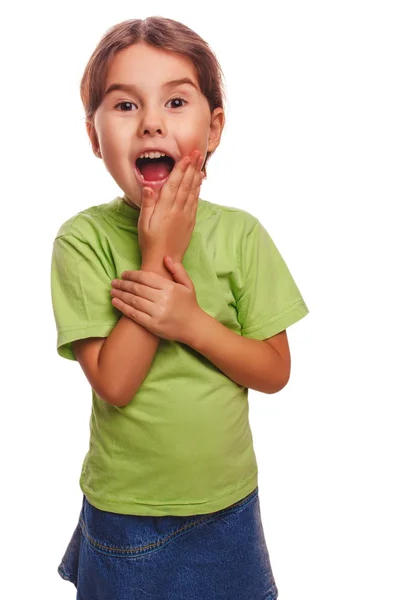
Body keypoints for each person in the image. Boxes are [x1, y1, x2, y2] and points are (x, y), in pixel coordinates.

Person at [50, 16, 309, 600]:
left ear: (213, 127)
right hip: (128, 513)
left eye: (175, 101)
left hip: (230, 508)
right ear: (94, 137)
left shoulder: (241, 236)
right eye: (124, 106)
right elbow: (116, 382)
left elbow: (274, 372)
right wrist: (158, 251)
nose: (150, 123)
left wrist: (190, 324)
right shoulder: (81, 242)